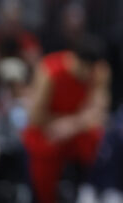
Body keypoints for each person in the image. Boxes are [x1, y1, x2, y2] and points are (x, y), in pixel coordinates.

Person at [21, 35, 110, 203]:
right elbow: (35, 115)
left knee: (96, 137)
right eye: (83, 68)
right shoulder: (50, 70)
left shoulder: (100, 71)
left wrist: (71, 125)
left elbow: (99, 110)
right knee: (43, 167)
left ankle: (90, 190)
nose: (86, 75)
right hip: (47, 130)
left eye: (90, 69)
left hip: (76, 132)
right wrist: (61, 125)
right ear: (73, 57)